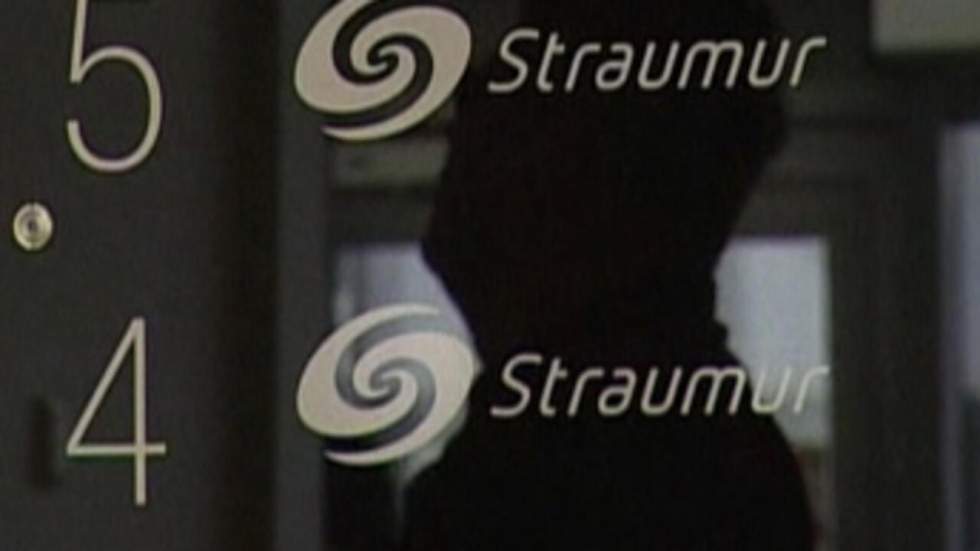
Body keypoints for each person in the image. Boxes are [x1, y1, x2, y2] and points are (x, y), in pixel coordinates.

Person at [402, 1, 815, 548]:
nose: (472, 89)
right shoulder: (666, 444)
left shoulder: (599, 470)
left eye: (524, 71)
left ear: (598, 165)